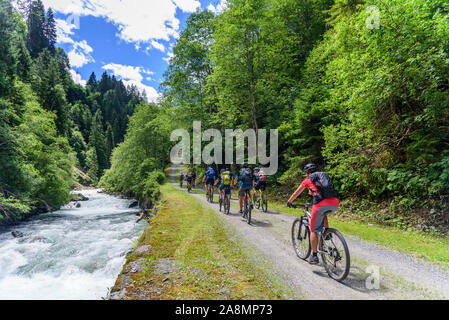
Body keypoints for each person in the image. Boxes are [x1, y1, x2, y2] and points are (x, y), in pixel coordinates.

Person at [286, 164, 339, 265]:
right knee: (324, 214)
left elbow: (297, 192)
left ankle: (314, 256)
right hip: (334, 203)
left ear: (307, 173)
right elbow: (317, 191)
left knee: (313, 230)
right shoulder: (323, 175)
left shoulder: (308, 179)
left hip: (320, 204)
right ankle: (327, 233)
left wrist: (289, 201)